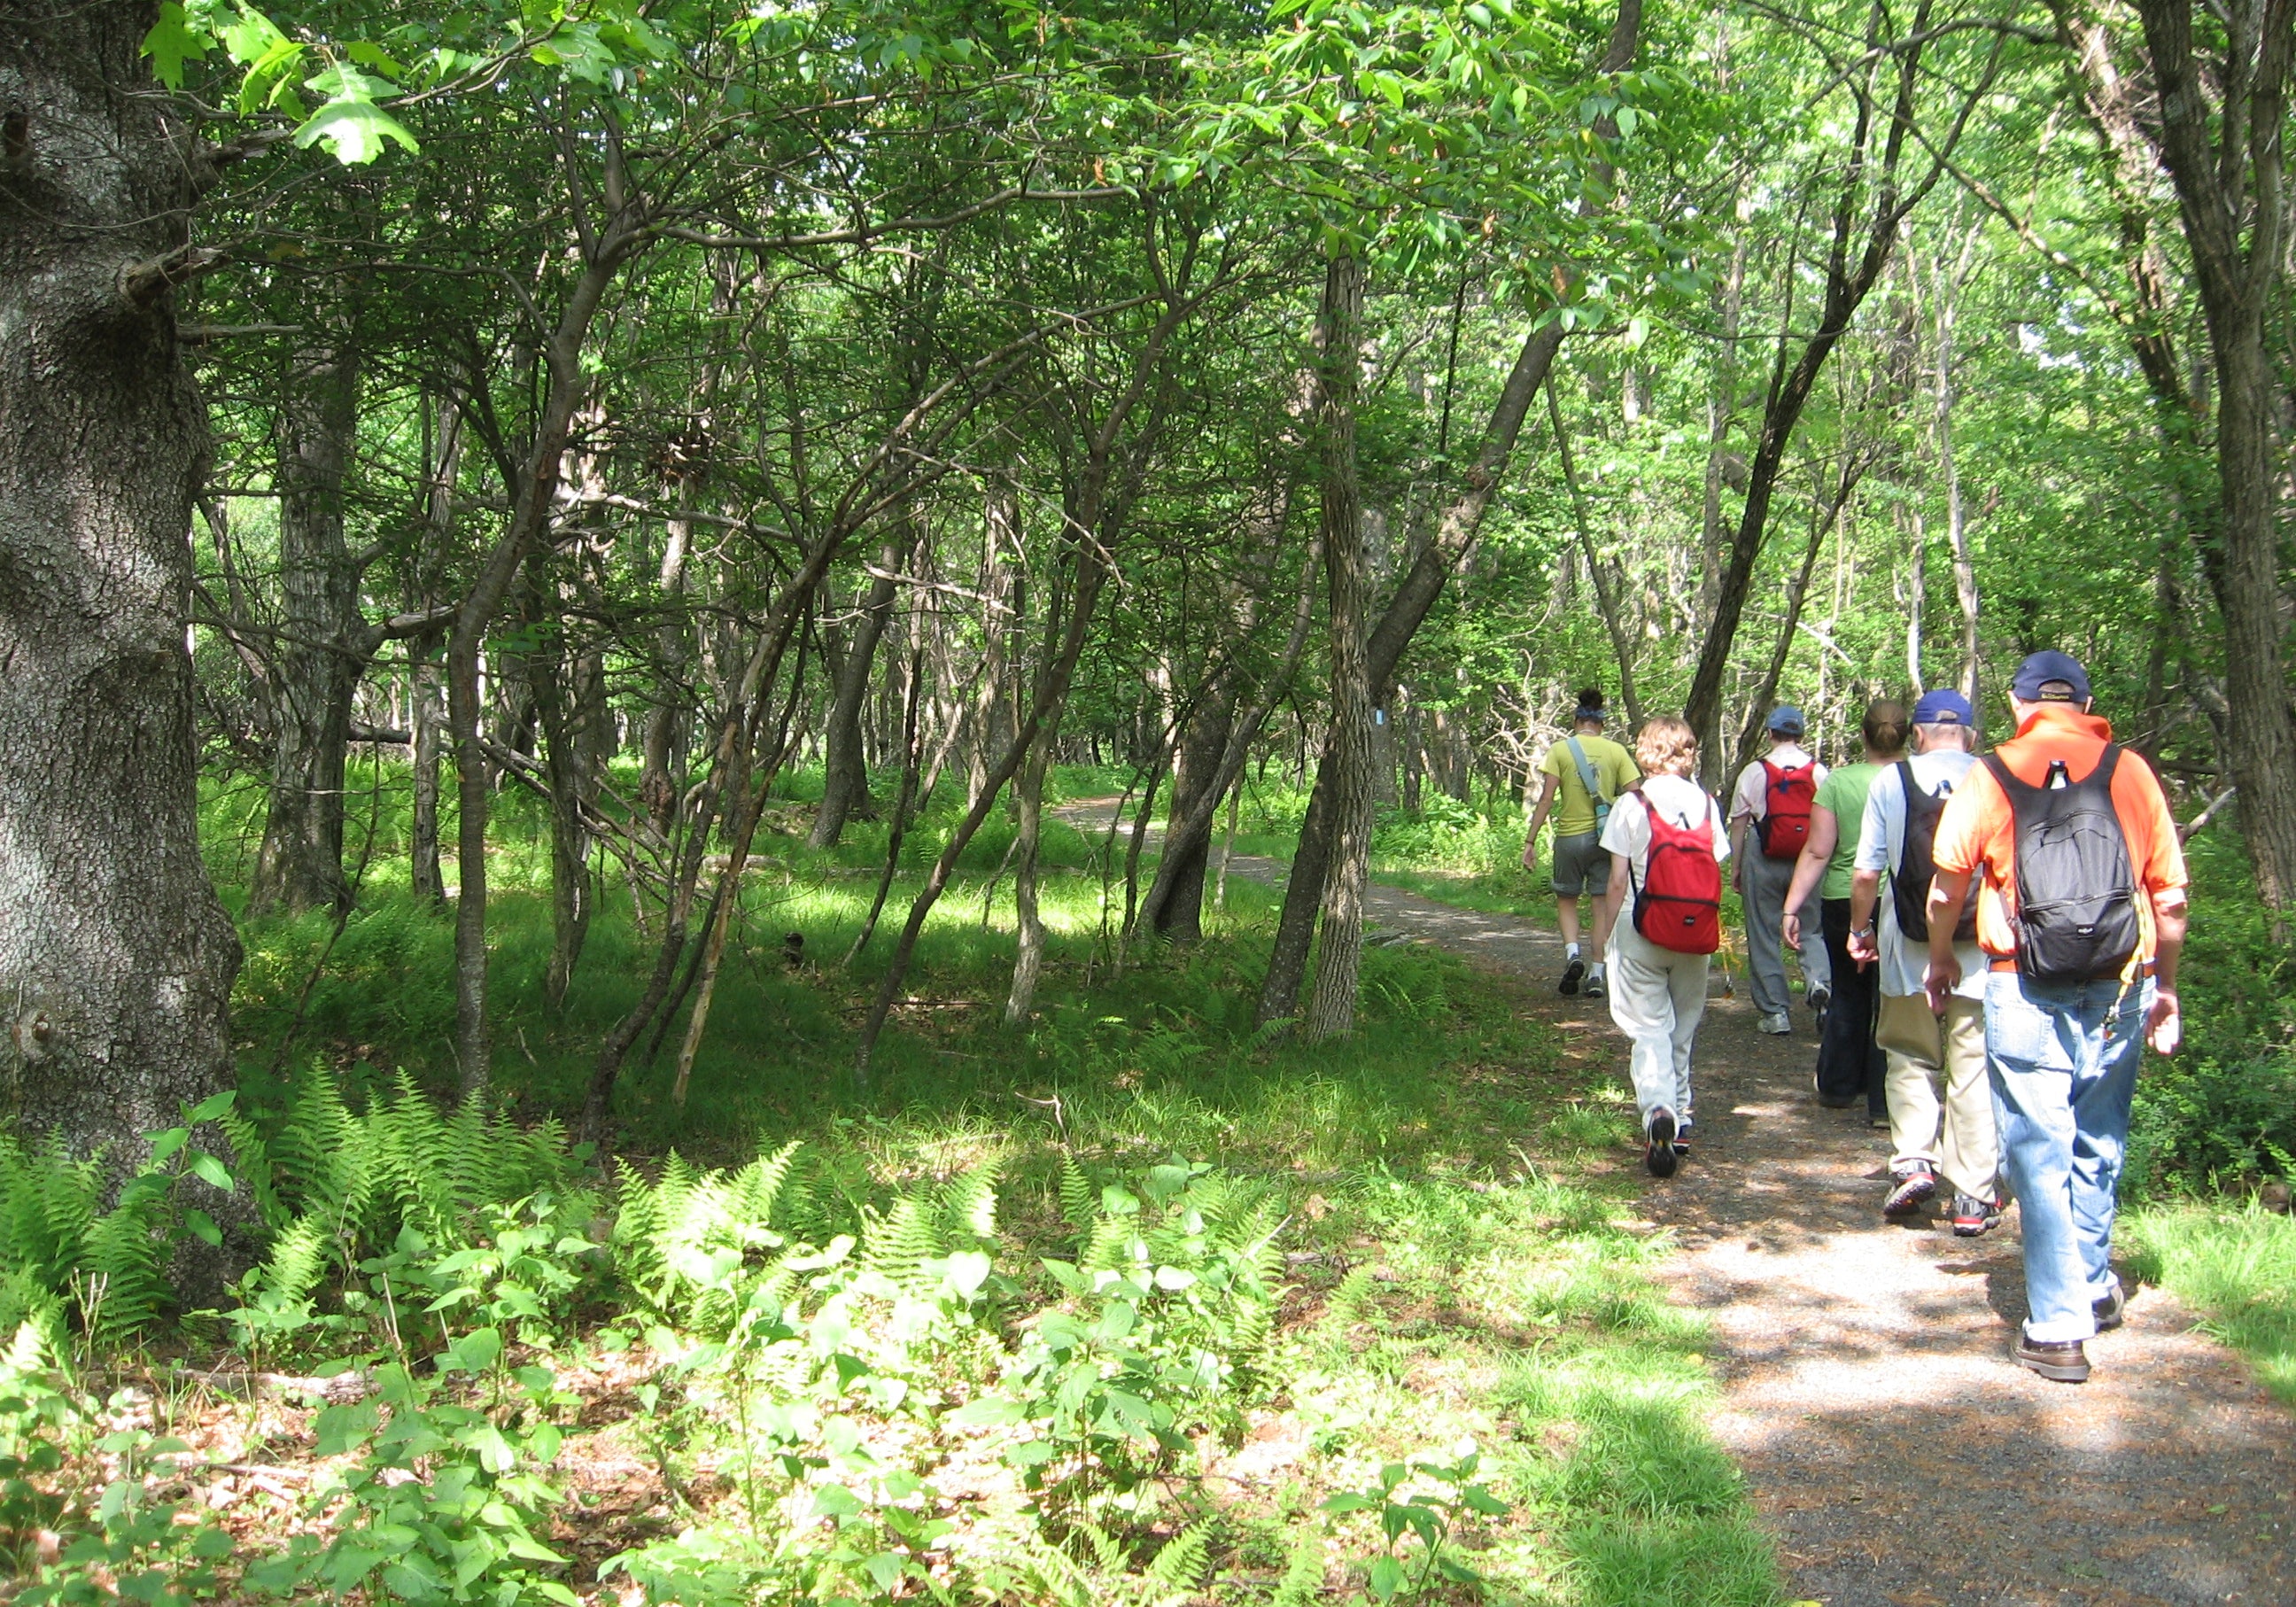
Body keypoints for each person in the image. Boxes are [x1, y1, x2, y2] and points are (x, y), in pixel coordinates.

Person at [1926, 651, 2187, 1385]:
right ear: (2088, 701)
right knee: (2097, 1137)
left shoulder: (1993, 773)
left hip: (2020, 981)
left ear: (2016, 705)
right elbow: (2169, 901)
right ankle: (2094, 1285)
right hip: (2119, 983)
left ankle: (2057, 1327)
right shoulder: (2130, 771)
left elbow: (1947, 891)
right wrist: (2165, 986)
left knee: (2037, 1150)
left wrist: (1943, 957)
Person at [1848, 688, 1999, 1232]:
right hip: (1981, 944)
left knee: (1909, 1053)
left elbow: (1867, 872)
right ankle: (1974, 1197)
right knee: (1973, 1063)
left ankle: (1913, 1159)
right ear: (1971, 734)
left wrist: (1859, 929)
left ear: (1917, 735)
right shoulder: (1994, 777)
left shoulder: (1893, 779)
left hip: (1907, 941)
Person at [1596, 716, 1729, 1178]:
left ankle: (1659, 1111)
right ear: (1689, 752)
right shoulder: (1708, 805)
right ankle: (1684, 1116)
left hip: (1641, 927)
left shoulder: (1631, 804)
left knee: (1648, 1026)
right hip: (1695, 932)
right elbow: (1715, 870)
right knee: (1682, 1027)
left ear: (1647, 751)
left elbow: (1616, 882)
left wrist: (1602, 941)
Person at [1783, 699, 1910, 1123]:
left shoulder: (1838, 783)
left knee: (1848, 992)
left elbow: (1818, 851)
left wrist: (1791, 907)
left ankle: (1838, 1087)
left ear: (1863, 735)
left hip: (1844, 896)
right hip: (1902, 900)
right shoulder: (1918, 780)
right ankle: (1883, 1102)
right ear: (1910, 735)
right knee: (1891, 997)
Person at [1523, 687, 1641, 1000]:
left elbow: (1546, 798)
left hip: (1569, 838)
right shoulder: (1616, 751)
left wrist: (1530, 840)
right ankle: (1597, 974)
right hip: (1606, 838)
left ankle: (1573, 953)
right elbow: (1636, 793)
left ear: (1576, 721)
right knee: (1600, 906)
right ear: (1600, 724)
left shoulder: (1560, 751)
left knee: (1567, 900)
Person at [1729, 707, 1831, 1035]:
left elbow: (1740, 823)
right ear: (1800, 735)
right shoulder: (1819, 773)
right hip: (1809, 858)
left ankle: (1775, 1013)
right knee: (1812, 928)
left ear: (1770, 734)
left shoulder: (1754, 772)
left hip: (1763, 855)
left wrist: (1736, 867)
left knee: (1763, 934)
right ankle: (1819, 984)